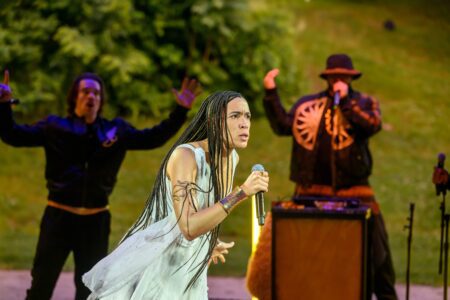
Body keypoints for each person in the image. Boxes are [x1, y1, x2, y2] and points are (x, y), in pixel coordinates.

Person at [0, 70, 201, 300]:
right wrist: (4, 106)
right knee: (41, 286)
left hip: (95, 223)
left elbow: (153, 138)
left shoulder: (116, 131)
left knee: (89, 290)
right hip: (58, 219)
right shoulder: (54, 128)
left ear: (101, 100)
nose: (91, 96)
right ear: (75, 97)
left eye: (96, 92)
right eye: (85, 91)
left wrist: (181, 110)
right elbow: (13, 135)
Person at [82, 90, 270, 299]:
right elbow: (188, 226)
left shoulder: (231, 158)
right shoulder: (186, 156)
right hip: (161, 266)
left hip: (191, 267)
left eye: (247, 116)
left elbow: (203, 213)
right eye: (235, 116)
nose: (244, 123)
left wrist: (207, 241)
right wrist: (242, 193)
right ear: (214, 121)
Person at [246, 54, 398, 300]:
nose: (338, 79)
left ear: (351, 78)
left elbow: (372, 125)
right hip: (311, 190)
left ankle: (384, 295)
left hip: (355, 190)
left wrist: (347, 103)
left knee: (377, 248)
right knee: (306, 250)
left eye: (344, 76)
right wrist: (271, 94)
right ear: (327, 78)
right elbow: (283, 125)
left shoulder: (365, 103)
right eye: (334, 76)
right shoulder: (309, 104)